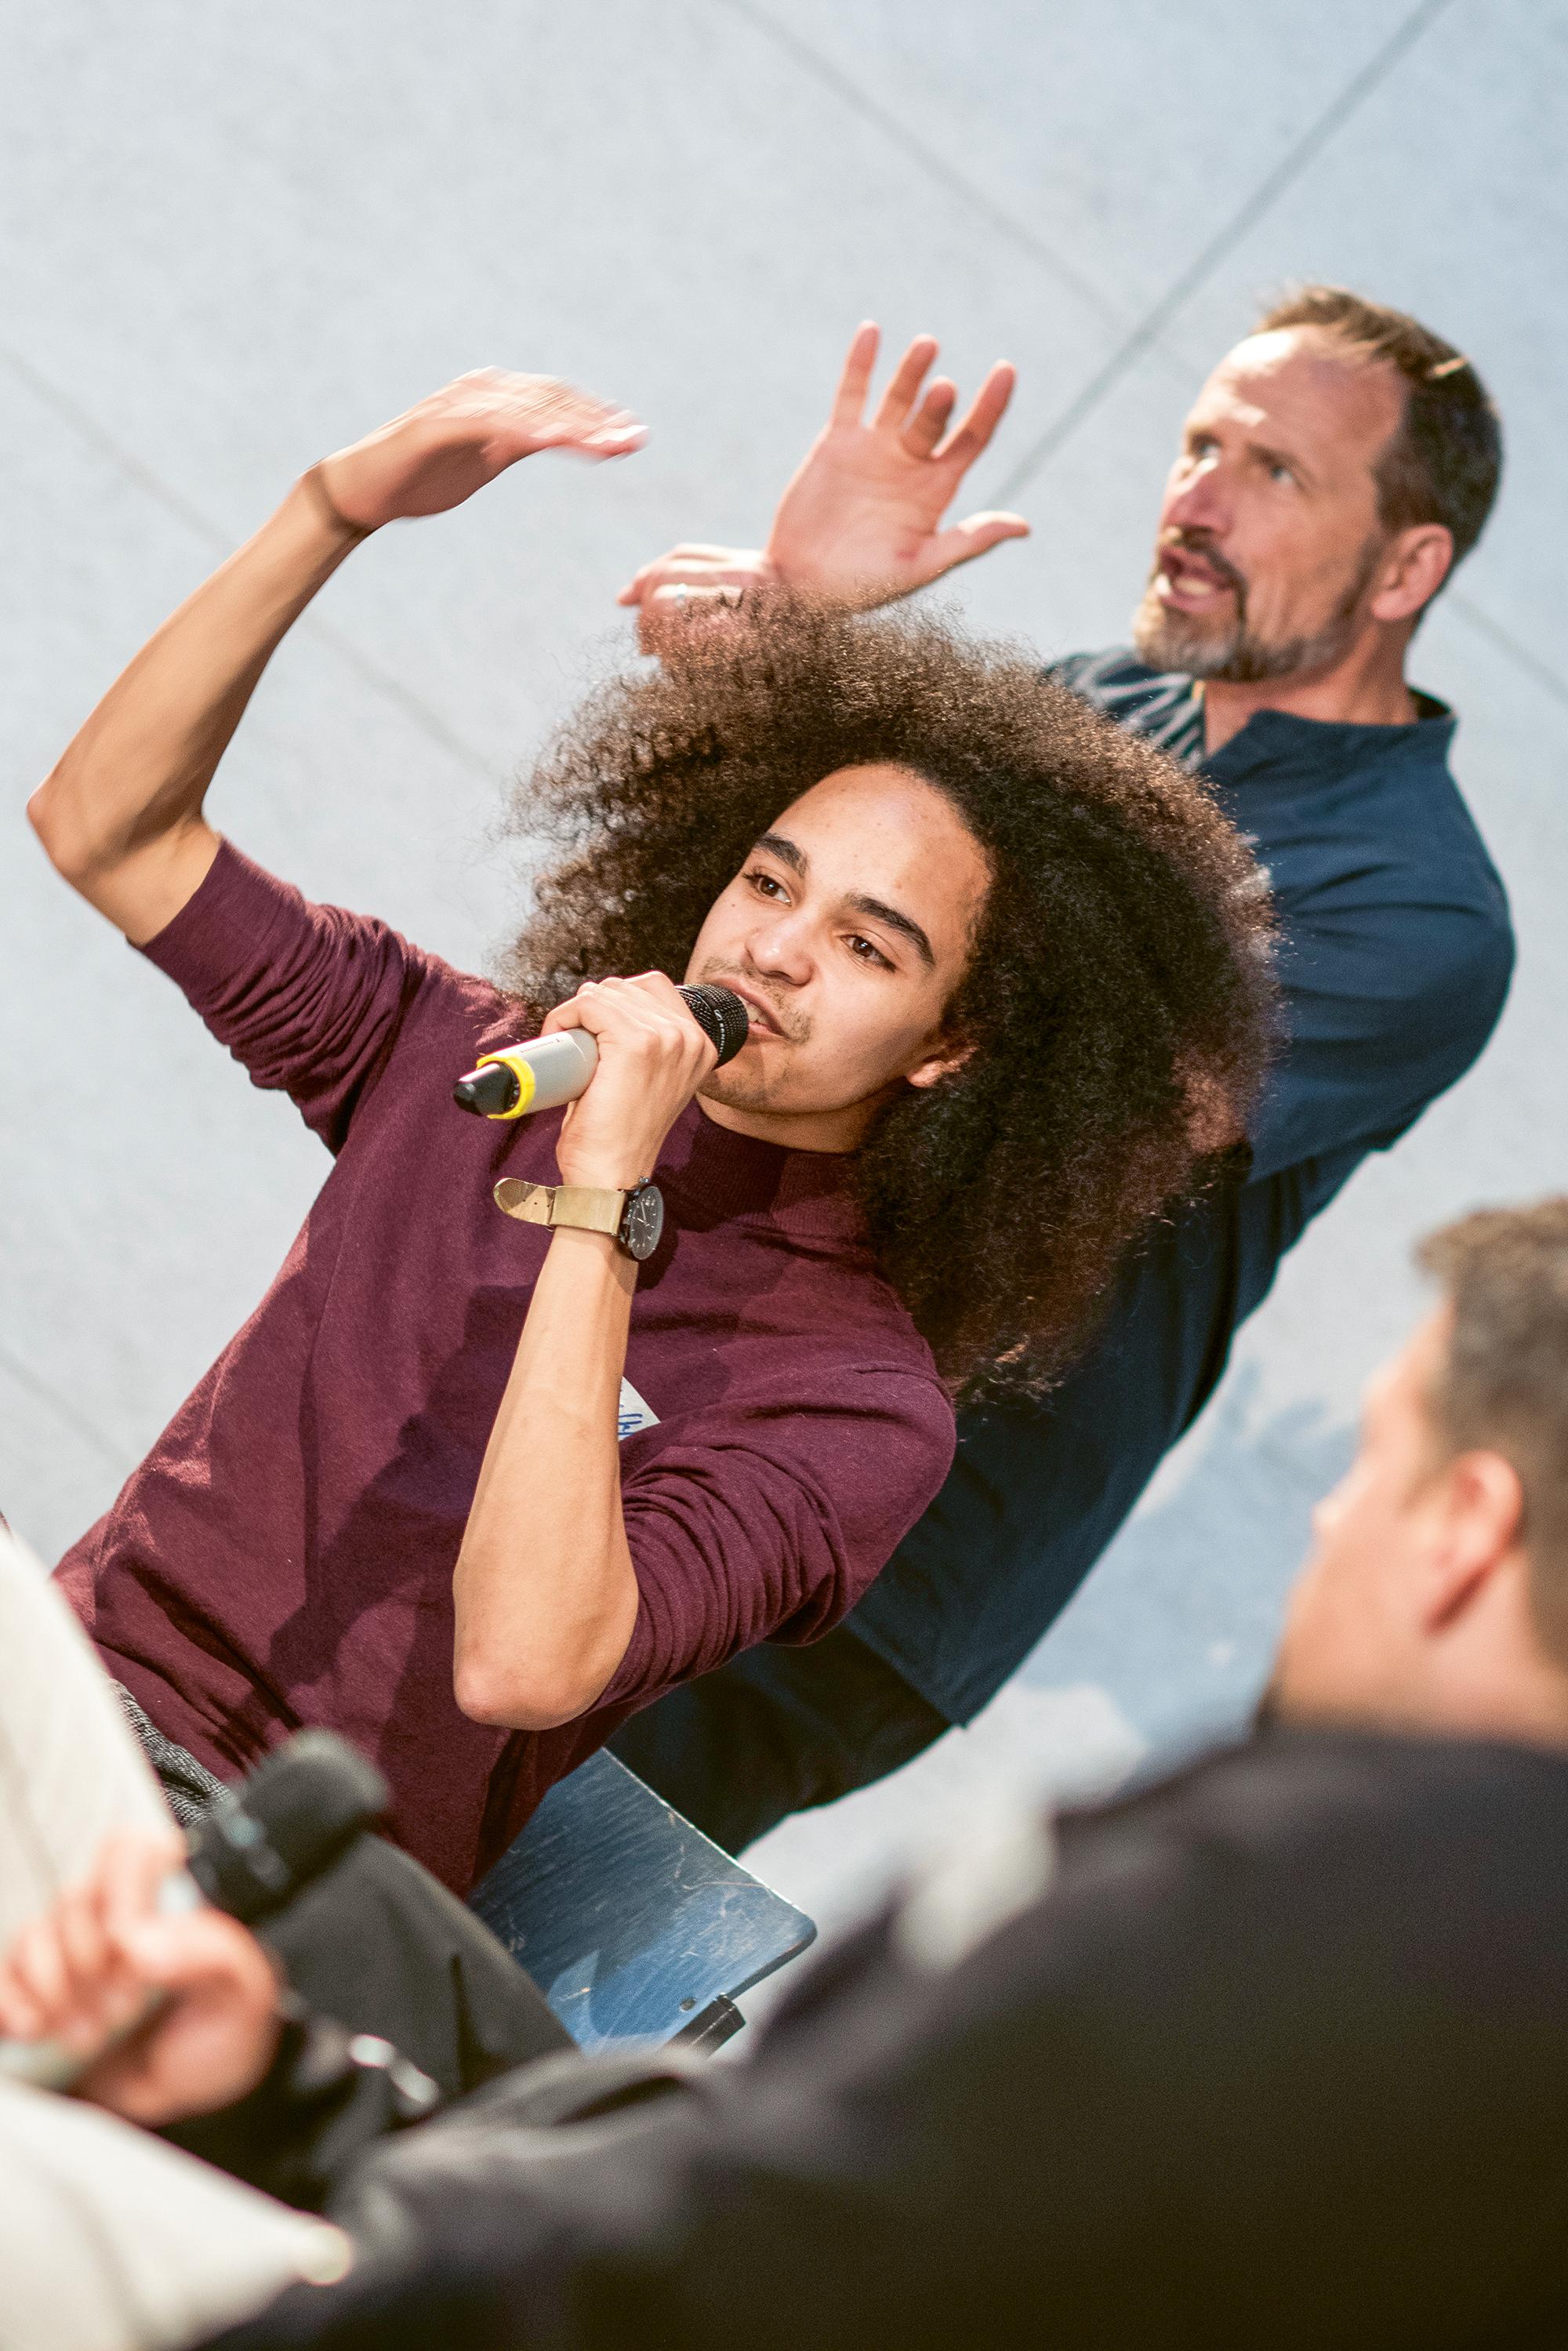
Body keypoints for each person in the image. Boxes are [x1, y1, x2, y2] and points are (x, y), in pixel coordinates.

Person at [27, 368, 1271, 1900]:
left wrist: (601, 1195)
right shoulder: (475, 1056)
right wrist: (332, 507)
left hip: (248, 1885)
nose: (776, 951)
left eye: (869, 947)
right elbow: (112, 830)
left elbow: (526, 1658)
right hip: (53, 1699)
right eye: (766, 881)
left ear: (953, 1049)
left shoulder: (861, 1408)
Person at [9, 1195, 1568, 2351]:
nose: (1325, 1523)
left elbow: (702, 2270)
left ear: (1462, 1531)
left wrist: (321, 2207)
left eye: (1371, 1462)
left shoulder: (1314, 1912)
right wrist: (289, 2101)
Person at [610, 287, 1516, 1852]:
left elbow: (1052, 1093)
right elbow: (782, 940)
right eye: (1197, 443)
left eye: (1276, 471)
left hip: (882, 1558)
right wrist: (782, 639)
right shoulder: (1091, 704)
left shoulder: (1421, 908)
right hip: (682, 1399)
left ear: (1408, 565)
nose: (1198, 497)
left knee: (457, 1945)